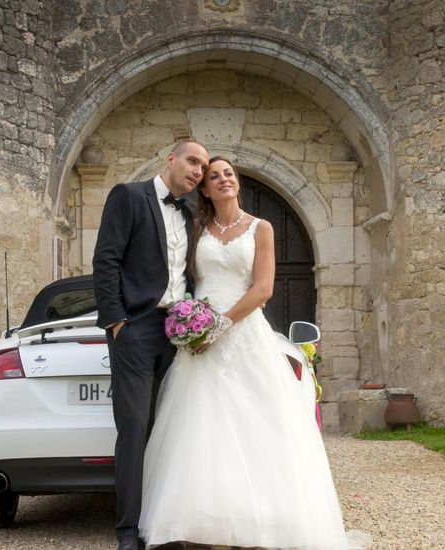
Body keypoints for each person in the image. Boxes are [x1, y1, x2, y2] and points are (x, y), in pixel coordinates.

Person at [138, 157, 372, 549]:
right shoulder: (197, 229)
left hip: (243, 334)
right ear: (206, 190)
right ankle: (208, 524)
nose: (222, 179)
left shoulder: (260, 228)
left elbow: (263, 289)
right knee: (202, 429)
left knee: (258, 425)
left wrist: (221, 326)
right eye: (214, 176)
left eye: (228, 173)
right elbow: (182, 277)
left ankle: (264, 522)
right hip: (201, 343)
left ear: (237, 183)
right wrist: (189, 323)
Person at [93, 140, 210, 550]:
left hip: (179, 335)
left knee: (172, 430)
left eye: (204, 166)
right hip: (137, 330)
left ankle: (164, 525)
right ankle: (128, 530)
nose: (198, 171)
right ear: (171, 159)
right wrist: (116, 321)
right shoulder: (128, 196)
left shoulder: (193, 214)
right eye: (193, 161)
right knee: (135, 428)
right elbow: (106, 259)